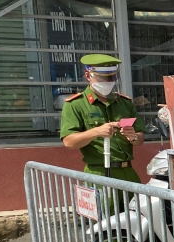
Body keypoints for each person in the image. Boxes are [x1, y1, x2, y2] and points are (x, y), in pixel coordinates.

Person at [60, 53, 145, 183]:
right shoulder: (76, 104)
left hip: (127, 173)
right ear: (88, 76)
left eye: (112, 77)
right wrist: (97, 132)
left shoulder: (124, 103)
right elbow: (69, 142)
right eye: (103, 78)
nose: (108, 82)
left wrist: (133, 136)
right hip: (98, 174)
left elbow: (140, 138)